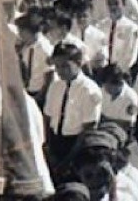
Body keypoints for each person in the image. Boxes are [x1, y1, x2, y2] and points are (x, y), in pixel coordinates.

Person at [43, 42, 102, 172]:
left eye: (65, 66)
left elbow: (88, 129)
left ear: (78, 63)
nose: (60, 71)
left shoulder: (89, 90)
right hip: (54, 141)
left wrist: (68, 159)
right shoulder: (55, 86)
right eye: (57, 66)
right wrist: (47, 146)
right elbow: (47, 117)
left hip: (75, 145)